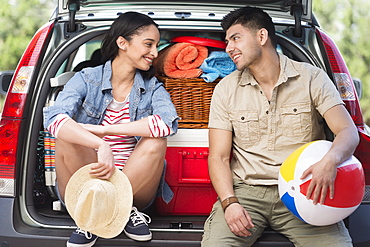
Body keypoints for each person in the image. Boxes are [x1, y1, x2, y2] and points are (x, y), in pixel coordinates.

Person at [201, 6, 359, 247]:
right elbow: (219, 157)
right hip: (247, 194)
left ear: (261, 37)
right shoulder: (226, 89)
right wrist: (229, 202)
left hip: (307, 190)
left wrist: (330, 162)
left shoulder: (312, 78)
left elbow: (348, 132)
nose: (228, 48)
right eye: (227, 41)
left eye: (235, 38)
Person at [43, 11, 178, 247]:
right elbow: (53, 119)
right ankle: (107, 212)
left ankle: (95, 218)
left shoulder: (151, 86)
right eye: (149, 44)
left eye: (157, 45)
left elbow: (168, 123)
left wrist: (107, 131)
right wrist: (100, 144)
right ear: (122, 42)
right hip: (85, 182)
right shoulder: (87, 78)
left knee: (158, 139)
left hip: (134, 187)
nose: (155, 53)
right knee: (66, 133)